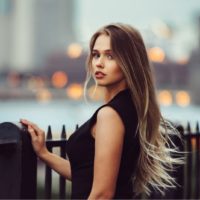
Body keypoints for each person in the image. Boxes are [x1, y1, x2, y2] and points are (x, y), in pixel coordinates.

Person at [20, 23, 183, 199]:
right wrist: (44, 154)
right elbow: (88, 177)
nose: (99, 63)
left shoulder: (110, 115)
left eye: (110, 56)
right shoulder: (132, 107)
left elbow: (102, 194)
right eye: (96, 55)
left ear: (129, 61)